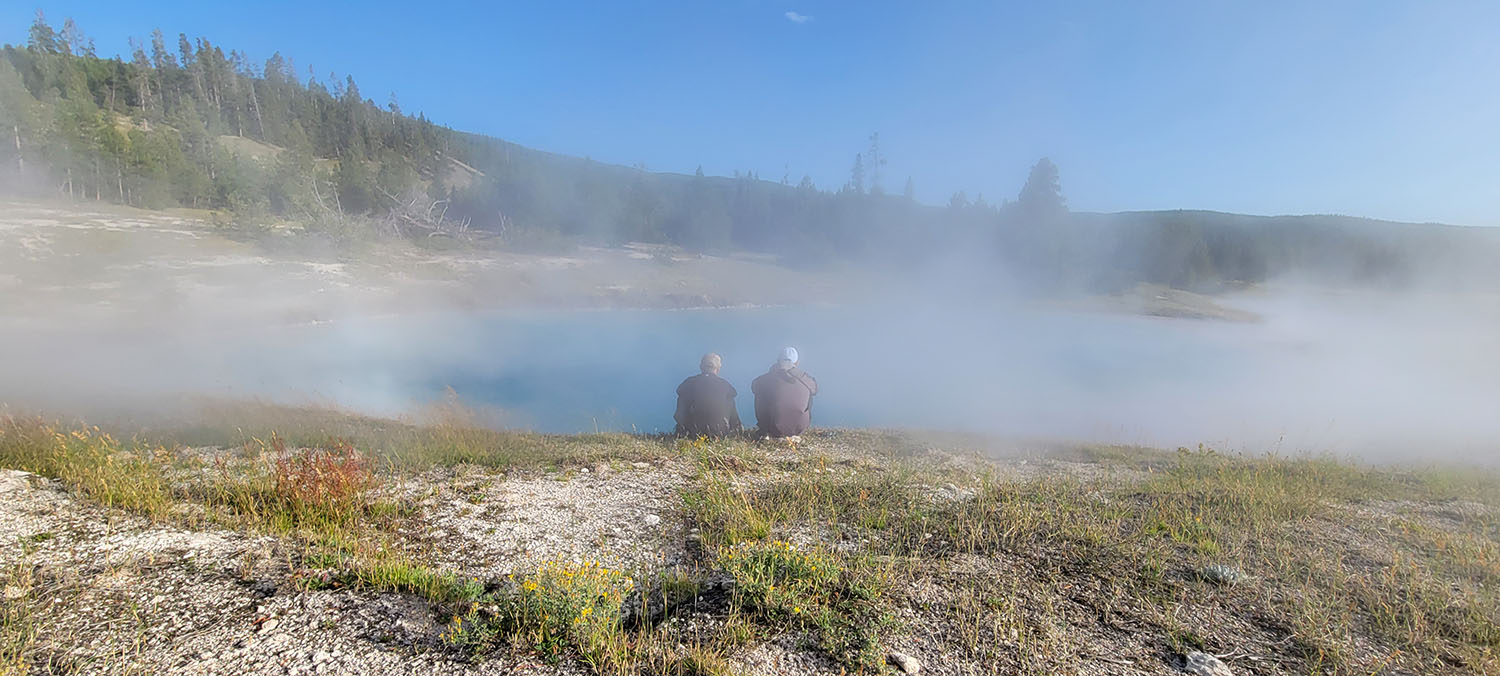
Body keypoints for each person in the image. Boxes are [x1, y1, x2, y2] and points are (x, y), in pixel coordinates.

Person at [751, 347, 818, 438]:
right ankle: (798, 426)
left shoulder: (765, 379)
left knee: (761, 392)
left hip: (772, 428)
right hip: (798, 428)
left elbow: (754, 386)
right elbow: (815, 389)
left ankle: (765, 431)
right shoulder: (806, 380)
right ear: (796, 363)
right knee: (808, 391)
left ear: (778, 361)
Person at [674, 352, 742, 437]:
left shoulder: (688, 384)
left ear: (701, 367)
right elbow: (734, 418)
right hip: (719, 435)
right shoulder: (726, 386)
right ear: (718, 368)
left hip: (691, 434)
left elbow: (679, 415)